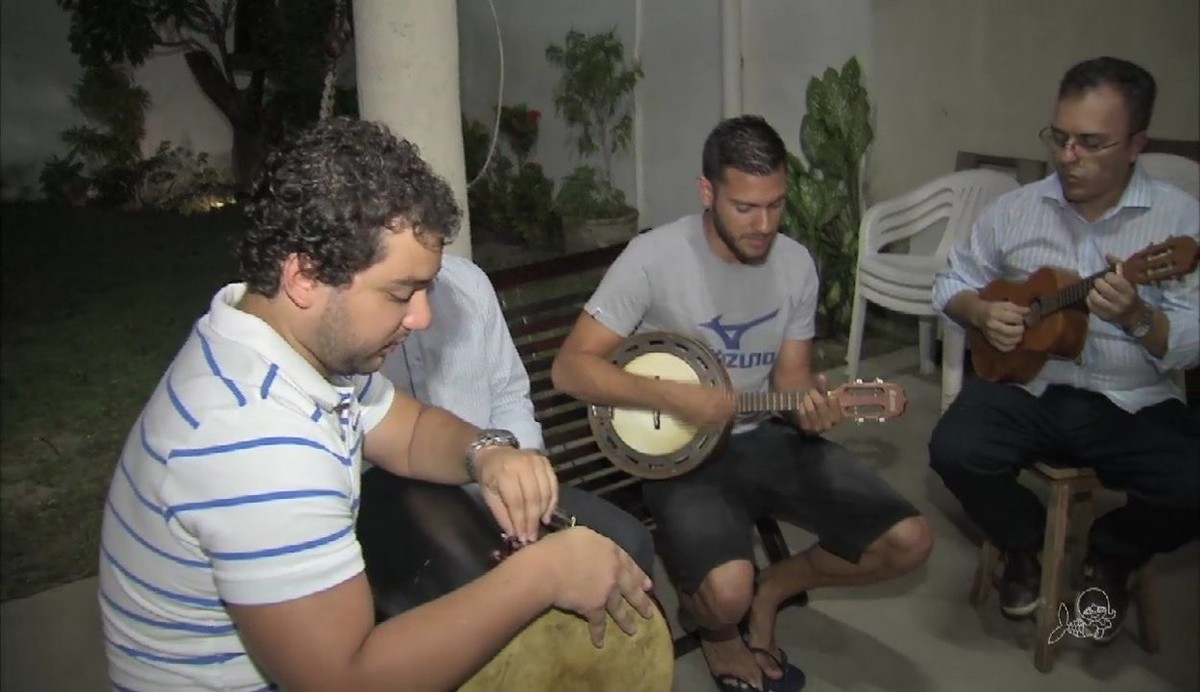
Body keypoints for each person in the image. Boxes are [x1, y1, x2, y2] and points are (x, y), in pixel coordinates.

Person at [97, 116, 656, 691]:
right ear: (305, 276)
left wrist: (486, 453)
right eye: (400, 293)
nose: (422, 317)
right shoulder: (257, 440)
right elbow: (349, 680)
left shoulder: (288, 348)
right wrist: (544, 574)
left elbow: (409, 433)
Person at [551, 114, 933, 691]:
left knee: (909, 542)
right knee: (725, 596)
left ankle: (775, 586)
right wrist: (674, 397)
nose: (763, 225)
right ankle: (719, 629)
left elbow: (794, 379)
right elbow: (570, 368)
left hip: (768, 439)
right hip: (682, 453)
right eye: (745, 208)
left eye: (776, 205)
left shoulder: (796, 263)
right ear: (707, 192)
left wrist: (811, 407)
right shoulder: (653, 258)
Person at [929, 56, 1199, 640]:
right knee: (954, 448)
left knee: (1191, 484)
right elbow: (950, 282)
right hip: (1029, 387)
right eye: (1061, 137)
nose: (1068, 156)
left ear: (1136, 144)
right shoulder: (1015, 208)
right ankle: (1023, 544)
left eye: (1091, 142)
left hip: (1132, 399)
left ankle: (1115, 554)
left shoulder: (1180, 222)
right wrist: (979, 310)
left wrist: (1138, 316)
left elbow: (1191, 344)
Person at [376, 251, 657, 576]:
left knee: (630, 542)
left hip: (490, 476)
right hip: (400, 507)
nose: (422, 314)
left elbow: (509, 395)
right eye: (402, 294)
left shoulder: (467, 282)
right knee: (473, 574)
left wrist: (525, 476)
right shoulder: (351, 319)